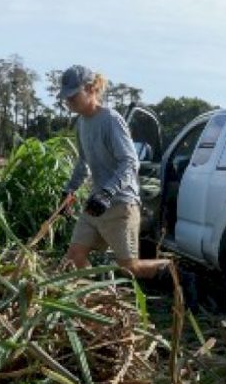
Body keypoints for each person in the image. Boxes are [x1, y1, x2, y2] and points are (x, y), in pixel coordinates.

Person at [58, 65, 175, 283]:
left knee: (130, 268)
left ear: (91, 89)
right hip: (96, 204)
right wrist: (70, 190)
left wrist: (107, 192)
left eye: (74, 96)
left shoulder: (110, 120)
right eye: (67, 98)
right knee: (73, 258)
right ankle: (95, 297)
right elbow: (83, 162)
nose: (69, 102)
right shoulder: (82, 123)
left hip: (121, 204)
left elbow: (130, 162)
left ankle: (176, 272)